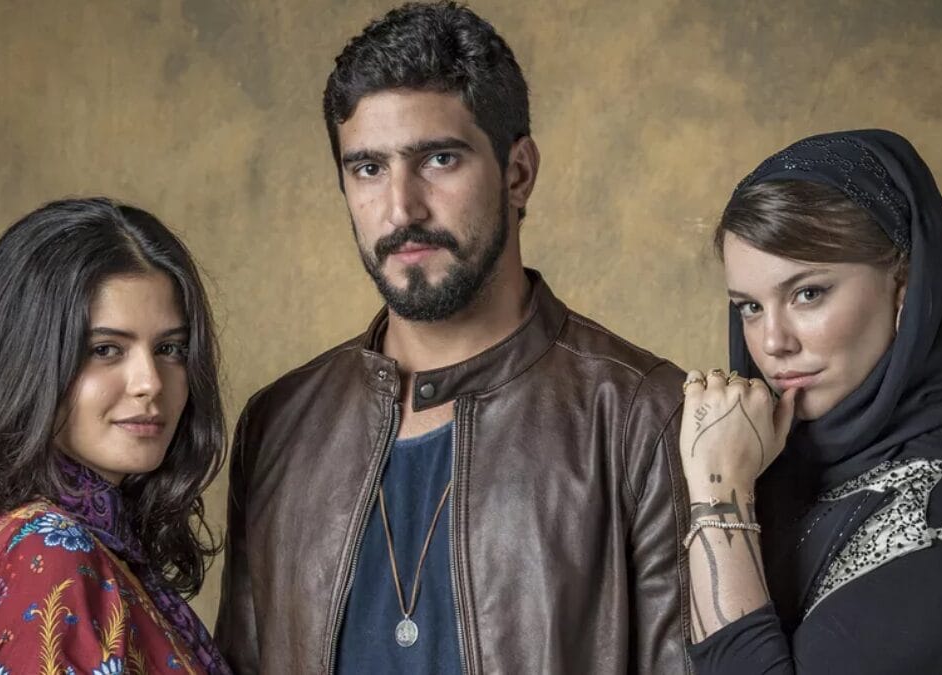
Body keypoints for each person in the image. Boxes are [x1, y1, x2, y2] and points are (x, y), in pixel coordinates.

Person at [213, 3, 691, 673]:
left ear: (518, 172)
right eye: (368, 168)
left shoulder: (644, 416)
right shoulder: (279, 425)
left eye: (439, 159)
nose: (401, 208)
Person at [679, 130, 942, 674]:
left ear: (905, 289)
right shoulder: (773, 463)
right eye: (750, 307)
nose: (772, 342)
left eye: (808, 293)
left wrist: (718, 496)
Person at [0, 198, 233, 674]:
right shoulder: (49, 552)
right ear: (27, 362)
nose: (150, 382)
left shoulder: (76, 537)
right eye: (106, 349)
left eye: (170, 348)